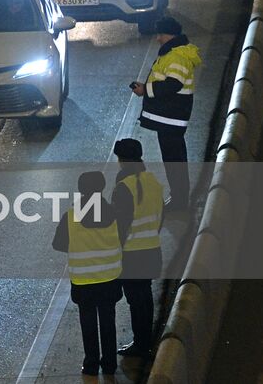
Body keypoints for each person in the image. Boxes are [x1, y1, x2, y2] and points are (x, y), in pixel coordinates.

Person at [53, 169, 124, 376]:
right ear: (102, 187)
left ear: (81, 190)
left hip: (84, 281)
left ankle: (91, 363)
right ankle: (110, 364)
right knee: (108, 321)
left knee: (88, 322)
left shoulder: (71, 216)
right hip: (110, 277)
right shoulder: (114, 212)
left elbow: (58, 244)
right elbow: (123, 237)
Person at [130, 15, 200, 211]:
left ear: (168, 35)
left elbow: (173, 84)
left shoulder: (177, 56)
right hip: (169, 119)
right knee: (173, 160)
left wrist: (146, 90)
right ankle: (178, 198)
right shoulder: (174, 53)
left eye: (160, 35)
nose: (158, 39)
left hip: (172, 118)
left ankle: (179, 201)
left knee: (174, 161)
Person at [112, 138, 164, 360]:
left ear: (123, 161)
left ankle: (141, 344)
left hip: (131, 254)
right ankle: (147, 340)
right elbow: (161, 216)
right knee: (145, 296)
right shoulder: (153, 181)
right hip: (152, 249)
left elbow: (119, 227)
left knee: (135, 300)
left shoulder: (124, 188)